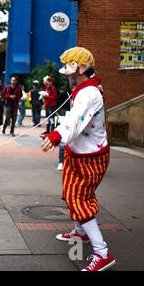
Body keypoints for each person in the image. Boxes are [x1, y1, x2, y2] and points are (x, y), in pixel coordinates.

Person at [41, 47, 115, 272]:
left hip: (89, 156)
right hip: (80, 152)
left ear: (80, 68)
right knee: (72, 194)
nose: (68, 73)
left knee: (79, 199)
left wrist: (56, 136)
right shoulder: (84, 89)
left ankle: (102, 253)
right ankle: (81, 233)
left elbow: (76, 120)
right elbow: (75, 119)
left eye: (71, 68)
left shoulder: (88, 93)